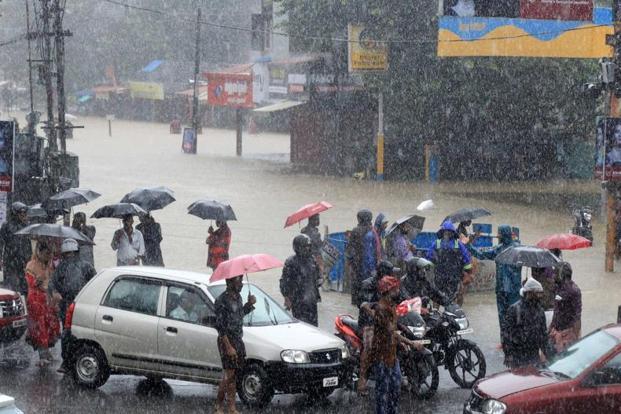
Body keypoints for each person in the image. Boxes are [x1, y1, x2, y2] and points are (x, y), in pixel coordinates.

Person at [363, 276, 422, 414]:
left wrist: (405, 330)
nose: (398, 291)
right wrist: (411, 343)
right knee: (383, 394)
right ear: (389, 291)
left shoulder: (390, 306)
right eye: (396, 289)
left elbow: (394, 326)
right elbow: (392, 333)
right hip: (382, 357)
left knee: (395, 390)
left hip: (391, 355)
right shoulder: (382, 309)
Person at [49, 238, 97, 373]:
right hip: (66, 305)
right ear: (64, 255)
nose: (70, 256)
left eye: (72, 253)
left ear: (76, 252)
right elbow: (52, 284)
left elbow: (95, 282)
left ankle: (82, 359)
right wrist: (55, 293)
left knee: (84, 333)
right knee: (66, 333)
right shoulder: (61, 268)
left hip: (83, 304)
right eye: (67, 254)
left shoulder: (86, 266)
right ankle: (66, 361)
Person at [468, 225, 521, 342]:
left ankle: (507, 341)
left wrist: (468, 245)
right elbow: (481, 254)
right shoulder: (514, 249)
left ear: (502, 235)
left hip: (508, 290)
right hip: (509, 290)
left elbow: (481, 254)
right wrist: (469, 245)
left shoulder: (503, 249)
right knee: (511, 317)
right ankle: (510, 341)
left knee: (506, 317)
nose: (497, 236)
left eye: (499, 233)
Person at [214, 275, 256, 414]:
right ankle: (219, 406)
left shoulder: (238, 298)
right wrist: (228, 346)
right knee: (228, 375)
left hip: (238, 339)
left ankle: (231, 407)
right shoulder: (221, 300)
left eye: (242, 281)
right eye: (239, 281)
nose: (241, 284)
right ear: (230, 282)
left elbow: (239, 315)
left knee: (234, 376)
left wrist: (249, 305)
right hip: (226, 341)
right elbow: (220, 326)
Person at [357, 260, 397, 395]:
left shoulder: (390, 284)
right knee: (368, 347)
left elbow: (401, 297)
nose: (392, 274)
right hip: (369, 322)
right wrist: (378, 306)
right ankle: (362, 380)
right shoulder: (368, 284)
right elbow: (364, 303)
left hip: (383, 319)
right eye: (390, 272)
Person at [502, 278, 554, 368]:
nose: (540, 296)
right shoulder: (514, 309)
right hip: (517, 357)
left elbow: (543, 336)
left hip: (534, 356)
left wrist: (552, 357)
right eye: (537, 293)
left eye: (541, 293)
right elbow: (506, 334)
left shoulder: (540, 311)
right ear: (529, 293)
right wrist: (508, 354)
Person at [25, 241, 60, 367]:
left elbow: (51, 282)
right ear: (39, 252)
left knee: (50, 326)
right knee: (39, 329)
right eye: (47, 254)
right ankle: (42, 355)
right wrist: (37, 281)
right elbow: (31, 283)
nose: (49, 256)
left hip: (47, 301)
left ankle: (47, 352)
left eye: (50, 254)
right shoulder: (31, 265)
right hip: (35, 301)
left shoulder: (49, 266)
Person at [426, 220, 473, 305]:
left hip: (440, 276)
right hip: (453, 276)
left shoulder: (436, 243)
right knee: (454, 296)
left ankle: (436, 314)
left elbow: (429, 258)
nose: (447, 234)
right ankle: (454, 312)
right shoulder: (457, 244)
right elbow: (467, 260)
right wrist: (468, 272)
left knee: (437, 296)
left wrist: (430, 270)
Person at [279, 234, 322, 326]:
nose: (308, 249)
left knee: (314, 328)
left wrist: (320, 278)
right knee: (301, 327)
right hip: (298, 301)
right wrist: (287, 298)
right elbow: (284, 282)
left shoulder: (312, 260)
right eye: (305, 247)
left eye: (309, 246)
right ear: (298, 247)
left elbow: (317, 278)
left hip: (312, 301)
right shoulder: (291, 262)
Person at [346, 209, 378, 306]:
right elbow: (377, 248)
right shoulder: (373, 231)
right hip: (370, 263)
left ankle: (357, 302)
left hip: (358, 263)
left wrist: (350, 261)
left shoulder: (356, 230)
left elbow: (350, 248)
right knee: (368, 283)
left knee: (357, 284)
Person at [0, 202, 32, 295]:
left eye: (25, 213)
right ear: (15, 213)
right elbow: (1, 243)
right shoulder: (6, 226)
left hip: (23, 261)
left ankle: (23, 303)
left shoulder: (25, 226)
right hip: (10, 260)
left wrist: (29, 257)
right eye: (21, 213)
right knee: (10, 286)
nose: (23, 215)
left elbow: (28, 244)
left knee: (24, 286)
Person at [549, 262, 582, 353]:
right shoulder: (557, 287)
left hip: (567, 335)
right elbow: (557, 311)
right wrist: (551, 328)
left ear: (561, 275)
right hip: (556, 331)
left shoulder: (573, 291)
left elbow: (577, 316)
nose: (553, 275)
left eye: (555, 273)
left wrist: (576, 337)